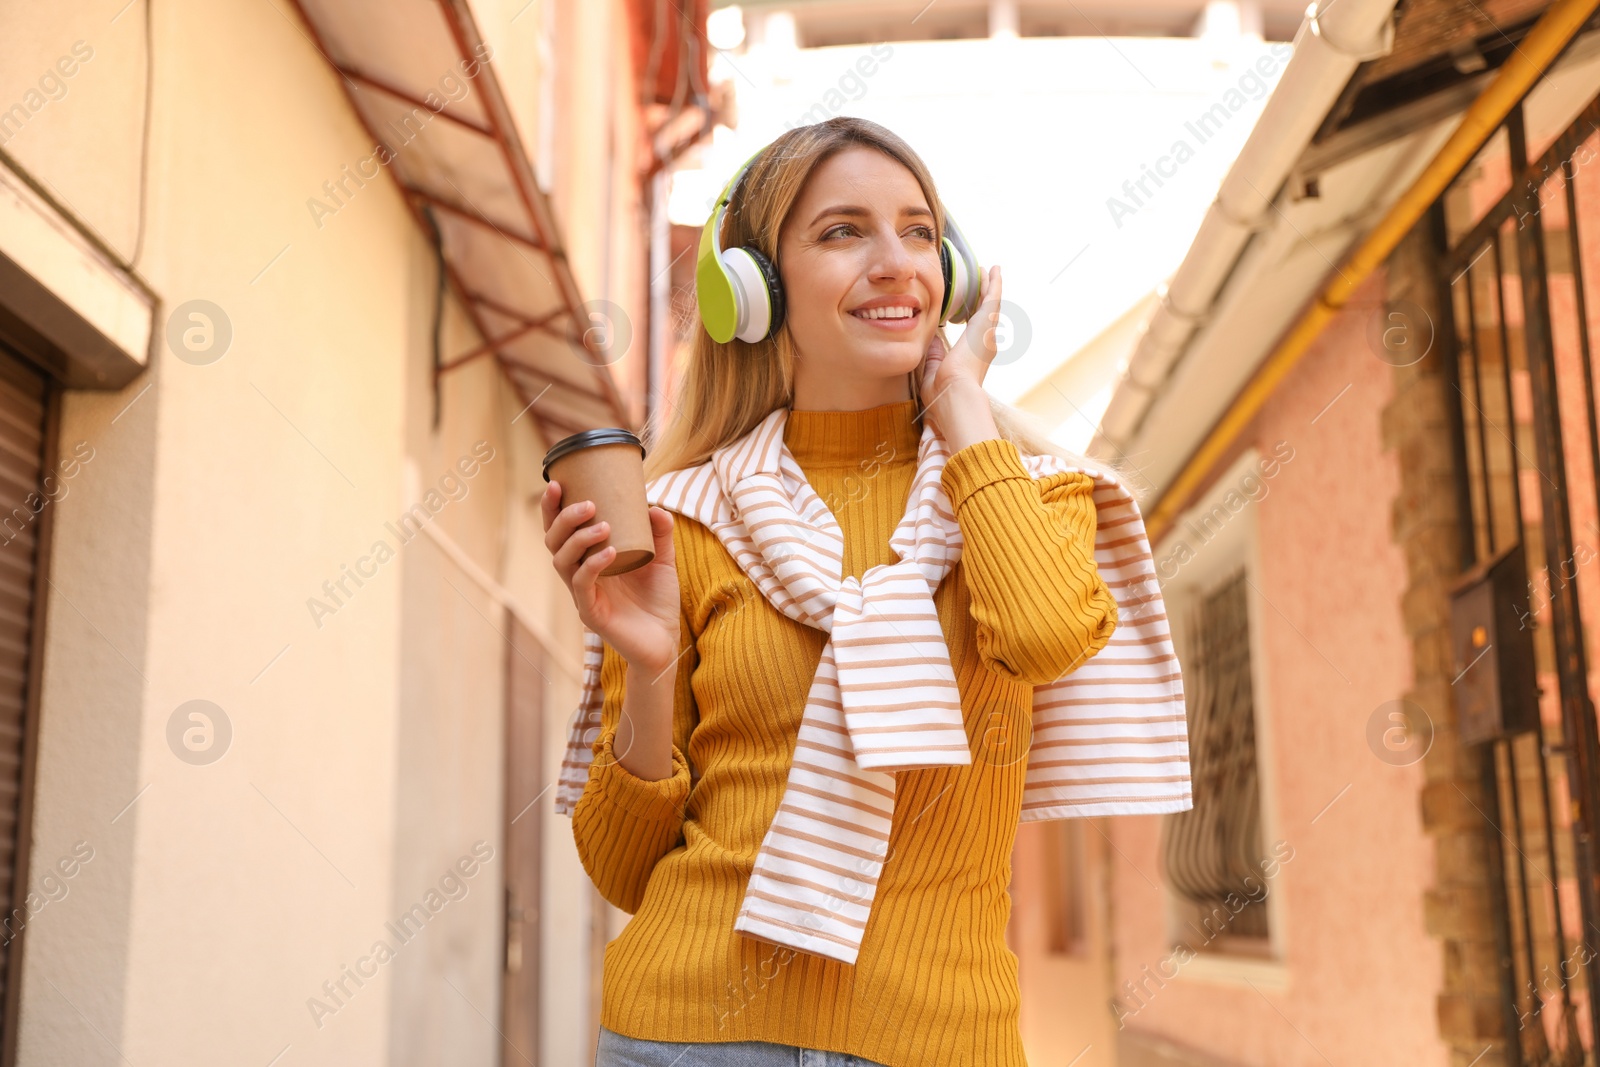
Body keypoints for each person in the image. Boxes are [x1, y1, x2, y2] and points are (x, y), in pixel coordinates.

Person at [543, 116, 1131, 1067]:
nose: (897, 261)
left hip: (938, 1036)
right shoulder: (682, 520)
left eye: (918, 230)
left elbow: (1046, 633)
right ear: (754, 289)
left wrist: (964, 415)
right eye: (843, 231)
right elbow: (622, 870)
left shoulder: (1026, 495)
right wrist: (648, 669)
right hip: (693, 1034)